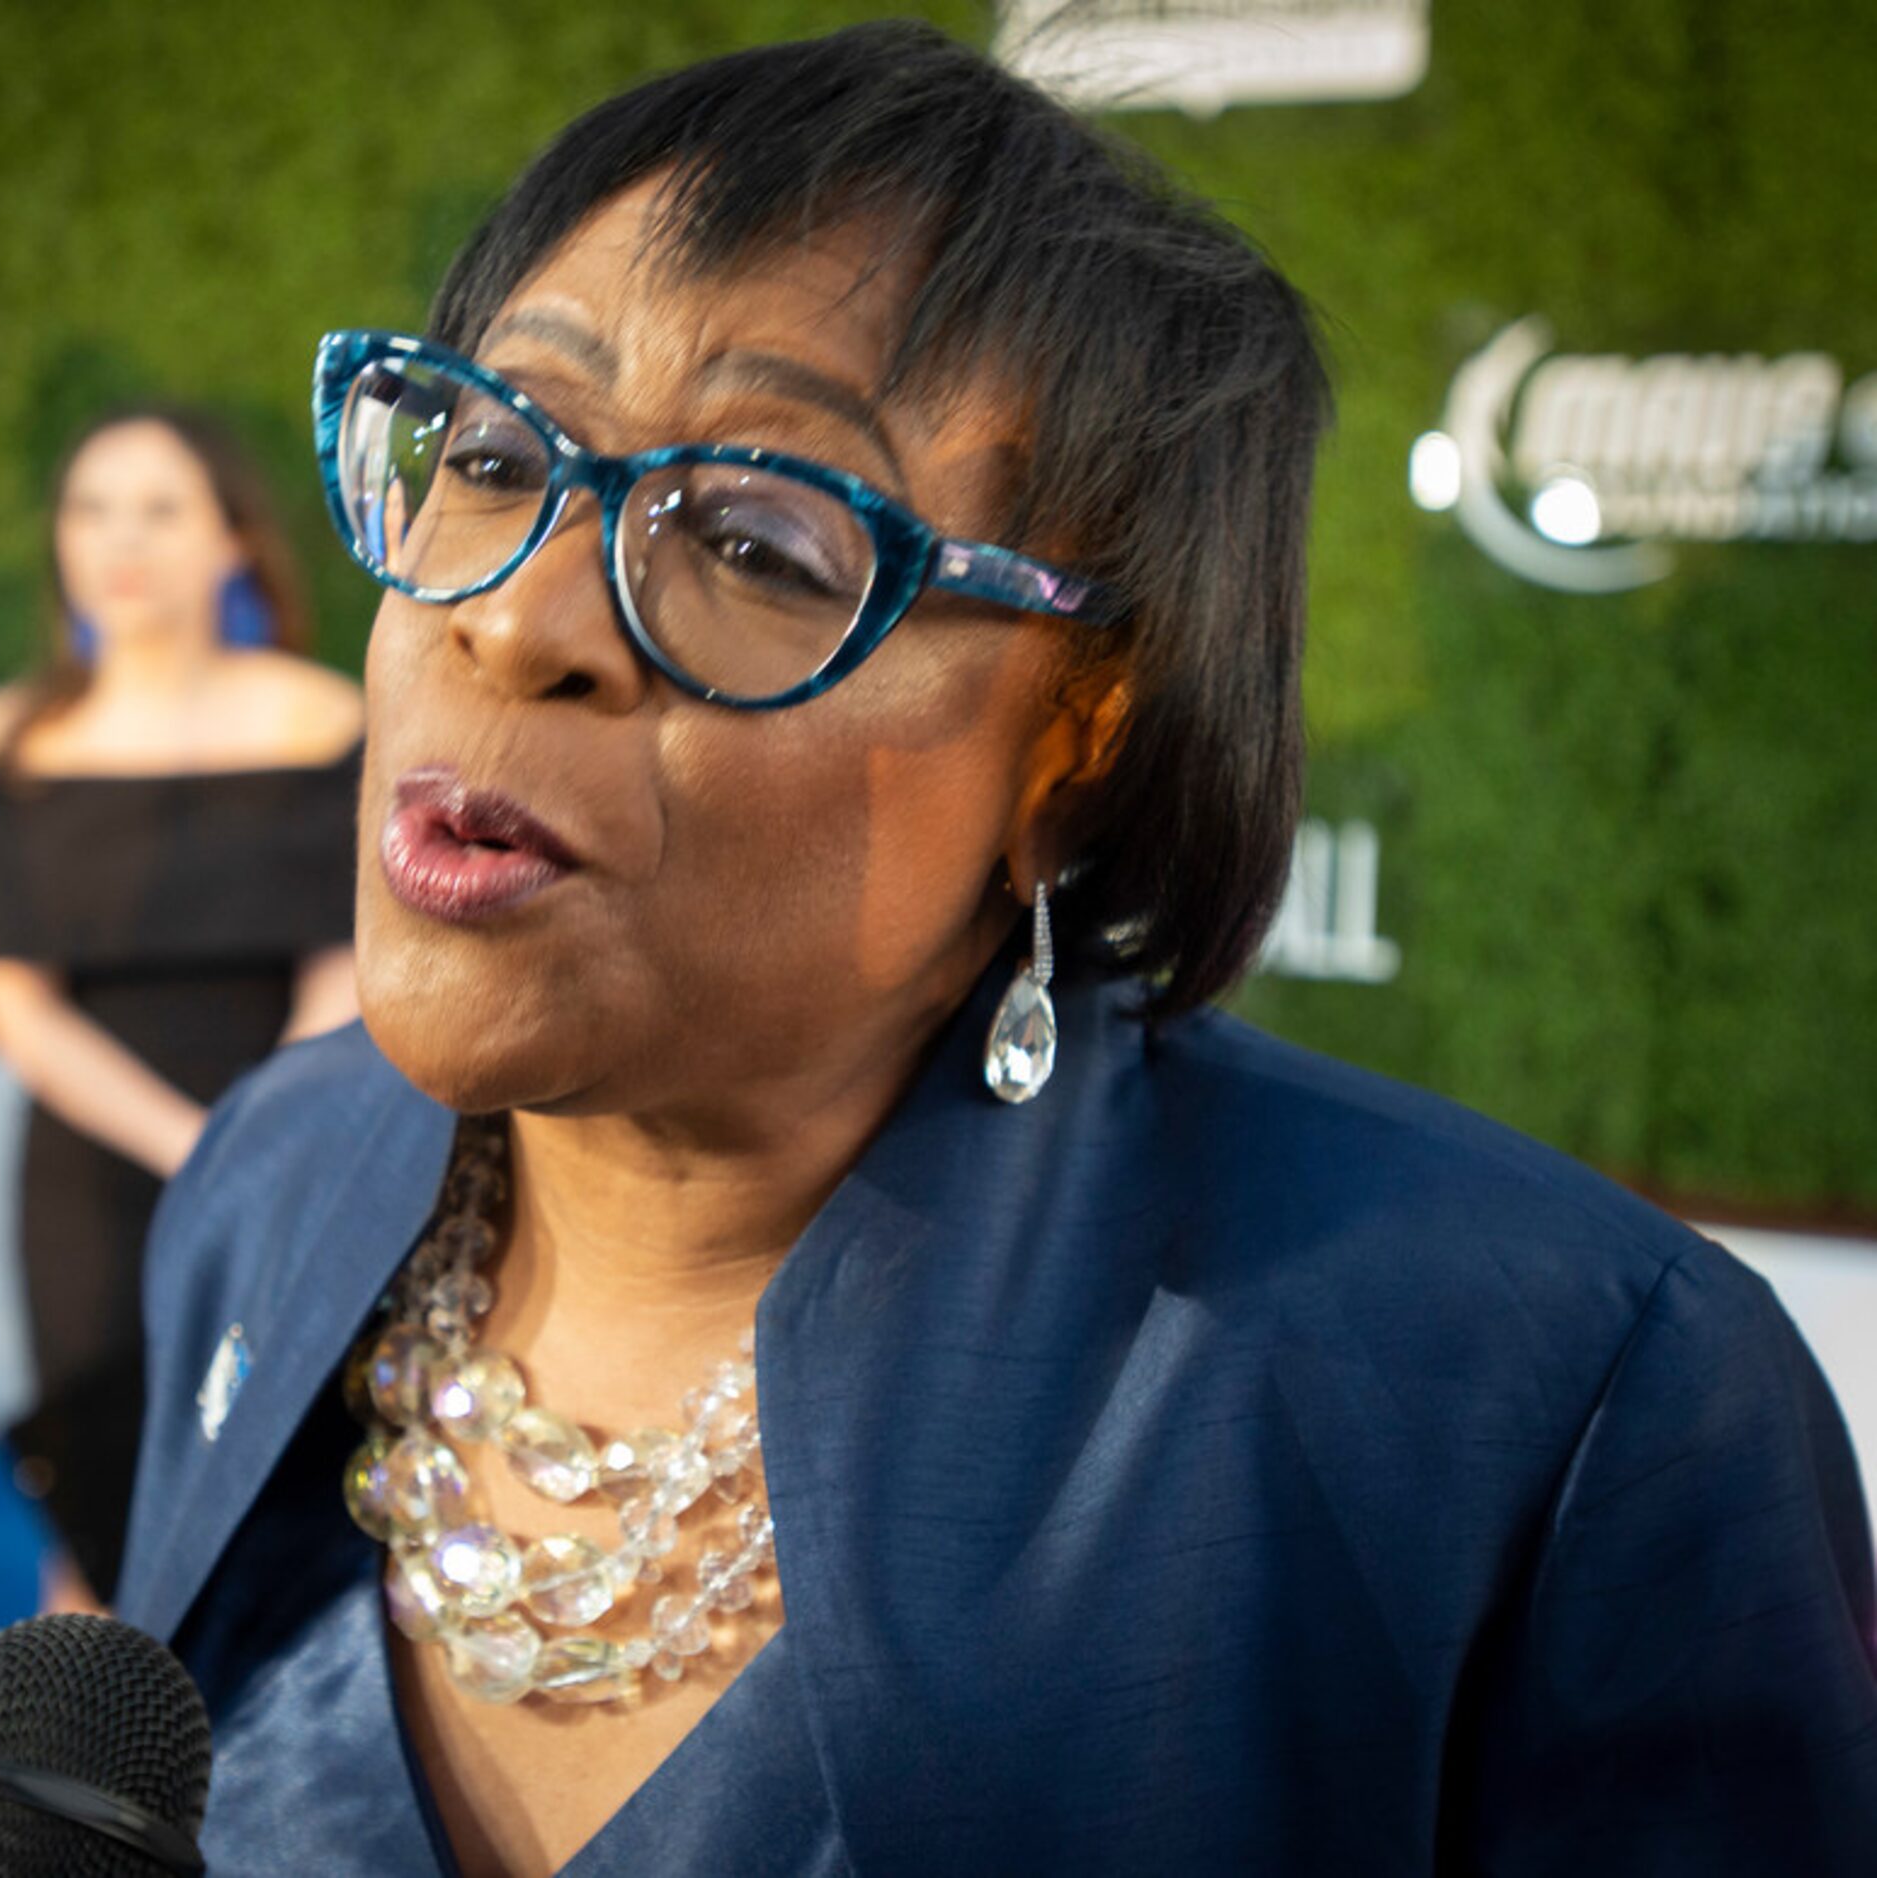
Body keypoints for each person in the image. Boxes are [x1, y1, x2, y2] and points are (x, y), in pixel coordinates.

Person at [110, 25, 1877, 1876]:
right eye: (488, 450)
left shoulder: (1543, 1403)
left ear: (1076, 743)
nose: (526, 613)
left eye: (764, 543)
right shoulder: (275, 1179)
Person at [0, 404, 363, 1613]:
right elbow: (12, 998)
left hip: (294, 1150)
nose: (119, 539)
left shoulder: (326, 717)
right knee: (97, 1489)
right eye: (91, 508)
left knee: (293, 1493)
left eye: (158, 507)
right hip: (89, 1176)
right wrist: (192, 1150)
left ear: (231, 539)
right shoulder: (12, 738)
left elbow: (344, 958)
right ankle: (87, 1786)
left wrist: (258, 1141)